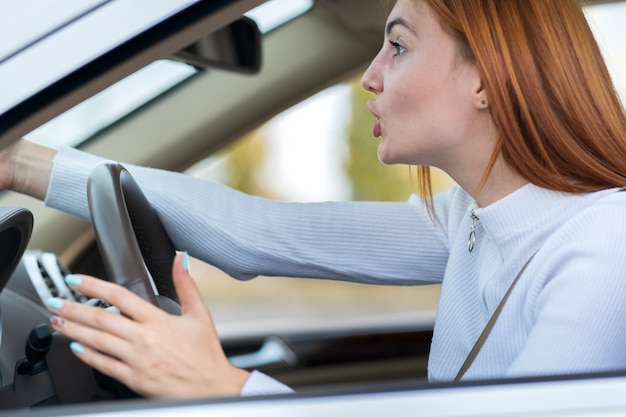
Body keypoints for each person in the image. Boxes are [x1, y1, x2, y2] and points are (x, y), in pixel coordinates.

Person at [2, 0, 626, 399]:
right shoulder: (471, 218)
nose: (371, 75)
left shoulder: (603, 249)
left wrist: (222, 388)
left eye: (399, 46)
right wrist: (22, 164)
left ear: (487, 78)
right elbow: (262, 229)